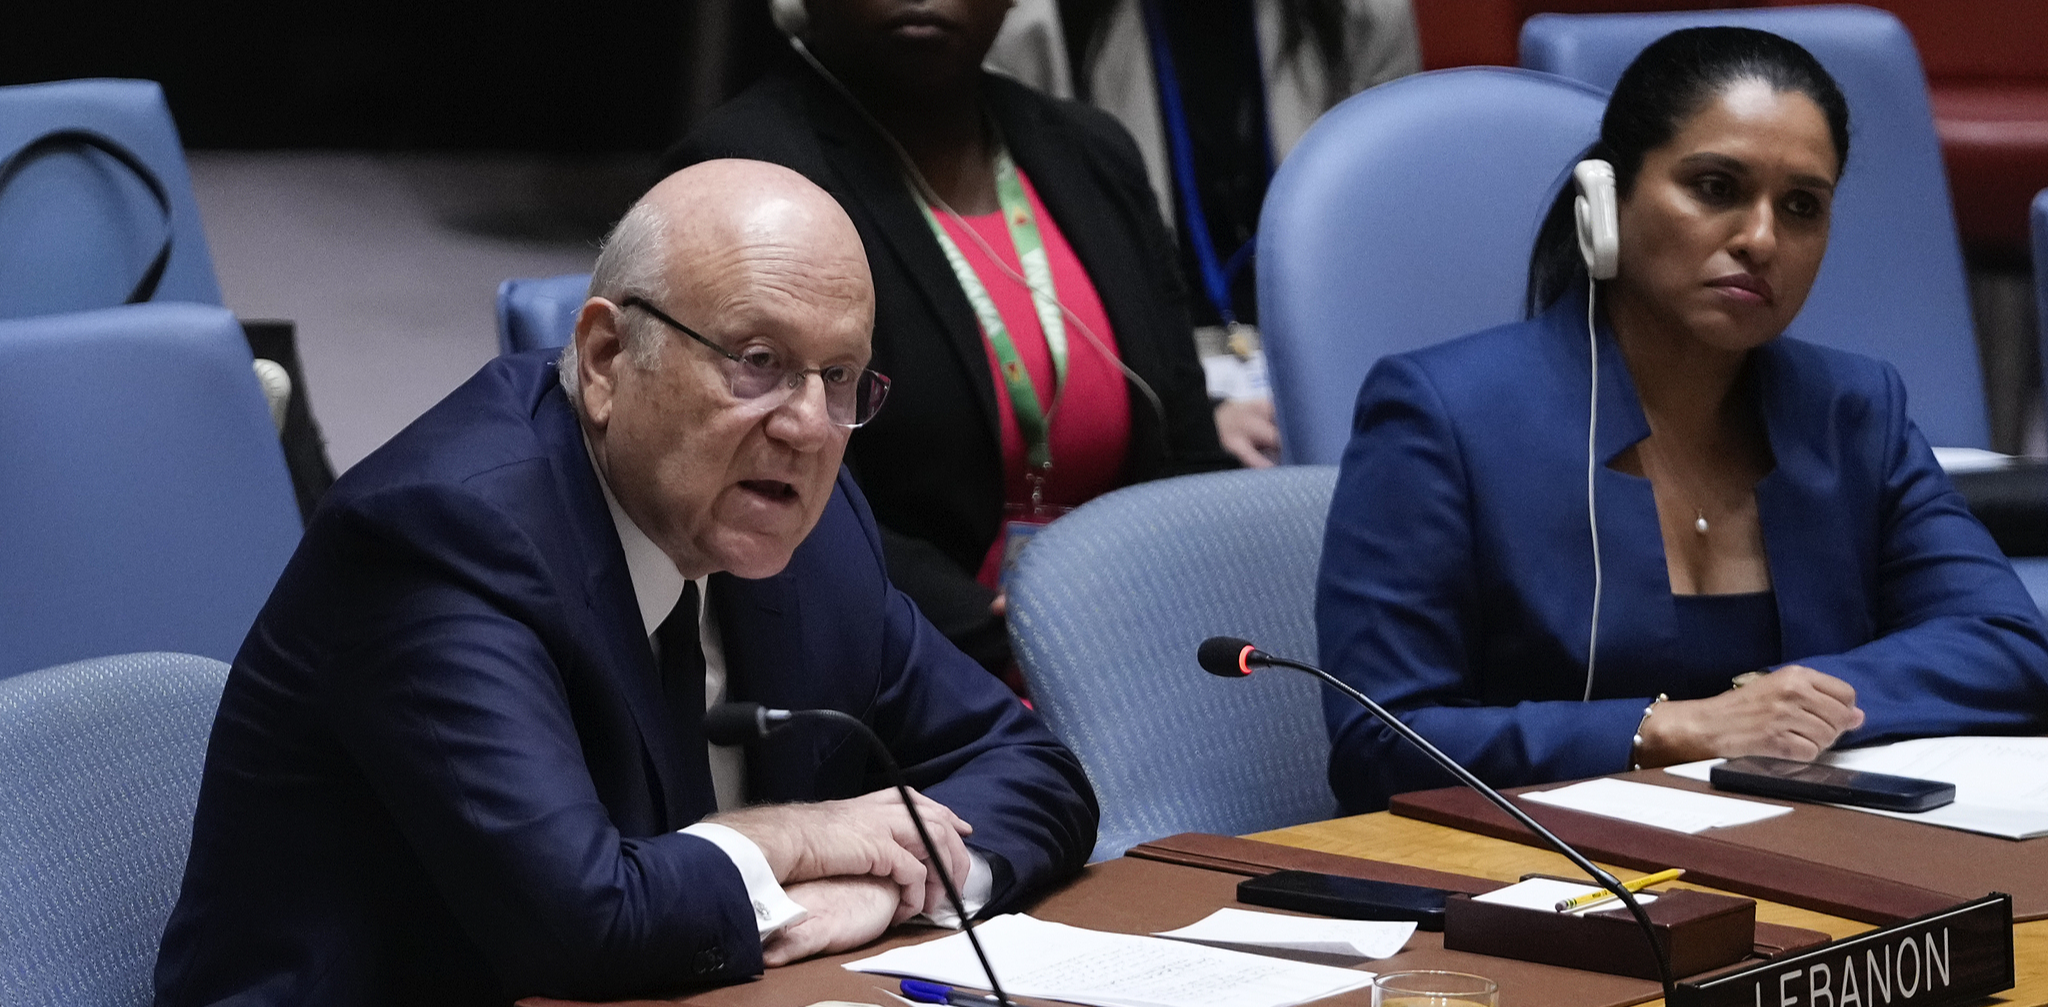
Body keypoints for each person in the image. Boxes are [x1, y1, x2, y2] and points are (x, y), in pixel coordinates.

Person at [105, 160, 1097, 1007]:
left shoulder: (804, 524)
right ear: (605, 358)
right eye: (757, 363)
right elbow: (575, 922)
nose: (804, 425)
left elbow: (1033, 771)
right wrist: (802, 836)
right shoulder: (440, 537)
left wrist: (886, 891)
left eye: (837, 378)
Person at [1317, 27, 2048, 814]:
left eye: (1802, 206)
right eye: (1715, 187)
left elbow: (2009, 648)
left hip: (1807, 854)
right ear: (1607, 202)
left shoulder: (1853, 409)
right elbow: (1380, 740)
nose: (1761, 239)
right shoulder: (1443, 415)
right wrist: (1667, 732)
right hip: (1533, 879)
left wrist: (1787, 706)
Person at [666, 0, 1237, 675]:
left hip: (1133, 651)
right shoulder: (740, 173)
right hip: (899, 667)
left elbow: (1190, 452)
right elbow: (750, 488)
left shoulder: (1093, 153)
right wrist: (1006, 630)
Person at [1078, 0, 1420, 457]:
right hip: (1152, 383)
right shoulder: (1045, 31)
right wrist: (1195, 415)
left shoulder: (1366, 15)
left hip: (1323, 367)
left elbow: (1388, 248)